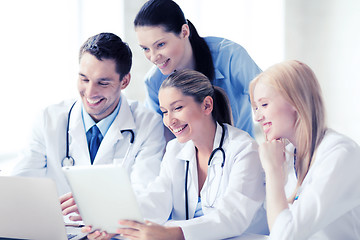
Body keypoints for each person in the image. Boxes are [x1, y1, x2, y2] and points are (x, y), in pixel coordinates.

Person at [84, 69, 267, 240]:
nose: (169, 120)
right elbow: (157, 199)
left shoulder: (243, 149)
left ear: (206, 105)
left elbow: (233, 217)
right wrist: (113, 222)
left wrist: (171, 233)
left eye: (177, 108)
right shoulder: (176, 150)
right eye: (164, 112)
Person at [12, 32, 166, 198]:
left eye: (103, 83)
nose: (91, 92)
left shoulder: (148, 124)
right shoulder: (48, 119)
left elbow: (144, 196)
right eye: (84, 79)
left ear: (125, 82)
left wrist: (99, 206)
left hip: (115, 224)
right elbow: (20, 187)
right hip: (57, 223)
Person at [249, 60, 360, 239]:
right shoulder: (287, 153)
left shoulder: (340, 154)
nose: (257, 117)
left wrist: (272, 172)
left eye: (264, 105)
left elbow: (284, 235)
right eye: (255, 108)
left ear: (295, 100)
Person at [134, 0, 261, 137]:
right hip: (190, 156)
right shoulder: (154, 82)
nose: (153, 58)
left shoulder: (229, 56)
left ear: (184, 32)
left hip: (242, 150)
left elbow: (268, 98)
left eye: (160, 44)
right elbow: (160, 137)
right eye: (146, 49)